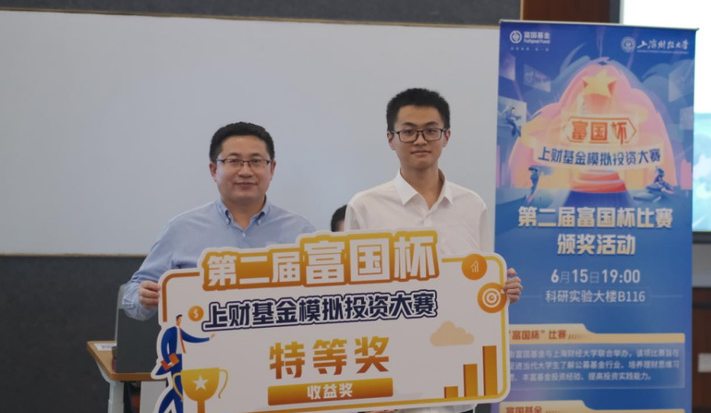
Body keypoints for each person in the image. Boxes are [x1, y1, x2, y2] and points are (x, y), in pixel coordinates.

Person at [344, 88, 523, 413]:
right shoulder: (365, 207)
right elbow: (353, 296)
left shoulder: (472, 206)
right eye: (408, 131)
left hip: (456, 383)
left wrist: (502, 291)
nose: (420, 140)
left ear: (446, 136)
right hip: (391, 385)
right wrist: (367, 386)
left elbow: (482, 284)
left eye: (430, 130)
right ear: (391, 139)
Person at [123, 122, 315, 320]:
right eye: (234, 161)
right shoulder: (181, 229)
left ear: (271, 169)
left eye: (256, 161)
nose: (245, 171)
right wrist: (143, 298)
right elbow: (132, 296)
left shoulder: (301, 232)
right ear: (214, 170)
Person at [155, 314, 213, 413]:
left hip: (181, 358)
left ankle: (162, 410)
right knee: (178, 386)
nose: (181, 321)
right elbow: (163, 346)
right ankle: (179, 411)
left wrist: (208, 338)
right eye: (180, 319)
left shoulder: (180, 331)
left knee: (176, 387)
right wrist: (167, 360)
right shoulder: (170, 331)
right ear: (177, 319)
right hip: (174, 359)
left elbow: (191, 338)